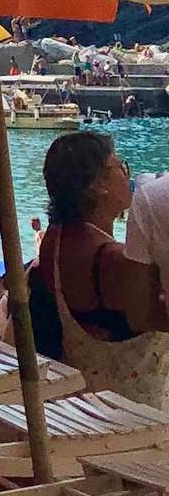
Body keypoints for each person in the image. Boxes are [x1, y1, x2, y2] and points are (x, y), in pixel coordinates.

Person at [32, 131, 169, 394]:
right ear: (98, 184)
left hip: (80, 394)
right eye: (120, 167)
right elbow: (149, 312)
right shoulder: (111, 260)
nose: (127, 175)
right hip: (132, 405)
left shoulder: (55, 240)